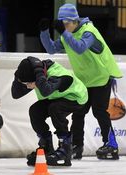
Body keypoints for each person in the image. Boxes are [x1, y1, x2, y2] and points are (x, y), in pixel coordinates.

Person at [39, 3, 123, 160]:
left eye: (67, 24)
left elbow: (80, 47)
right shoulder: (67, 34)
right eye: (62, 24)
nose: (65, 27)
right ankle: (77, 146)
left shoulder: (88, 32)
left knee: (100, 112)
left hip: (100, 78)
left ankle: (112, 145)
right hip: (84, 80)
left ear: (75, 21)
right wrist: (44, 32)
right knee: (78, 112)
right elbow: (51, 49)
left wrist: (63, 32)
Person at [11, 56, 88, 166]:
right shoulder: (36, 76)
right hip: (54, 98)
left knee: (55, 109)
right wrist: (18, 75)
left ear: (37, 78)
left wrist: (38, 73)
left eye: (29, 82)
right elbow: (16, 94)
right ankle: (46, 146)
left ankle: (65, 148)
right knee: (35, 111)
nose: (27, 86)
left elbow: (46, 90)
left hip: (76, 98)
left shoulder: (57, 74)